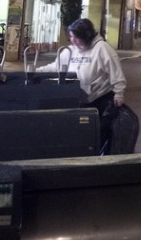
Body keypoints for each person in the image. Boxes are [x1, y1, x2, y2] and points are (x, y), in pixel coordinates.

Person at [44, 18, 127, 152]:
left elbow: (116, 72)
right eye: (71, 37)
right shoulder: (70, 51)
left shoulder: (102, 49)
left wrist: (119, 93)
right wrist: (36, 71)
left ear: (86, 36)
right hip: (78, 98)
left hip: (100, 98)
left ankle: (99, 153)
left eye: (76, 37)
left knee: (99, 130)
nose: (73, 40)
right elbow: (55, 67)